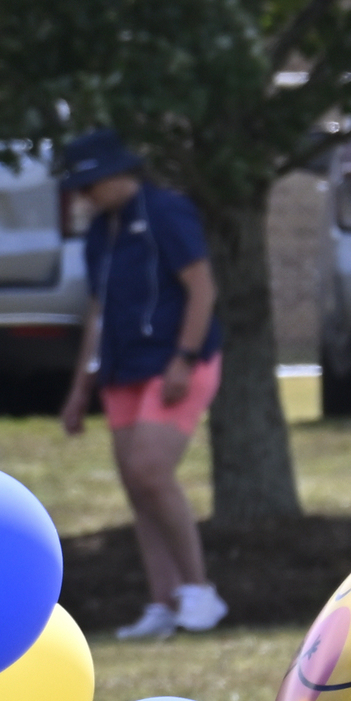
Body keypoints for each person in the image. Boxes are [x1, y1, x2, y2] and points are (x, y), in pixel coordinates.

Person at [56, 129, 227, 640]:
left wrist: (184, 356)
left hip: (174, 361)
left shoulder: (166, 212)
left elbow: (201, 287)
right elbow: (98, 311)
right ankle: (163, 600)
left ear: (118, 173)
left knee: (152, 471)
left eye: (90, 185)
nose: (84, 197)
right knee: (136, 484)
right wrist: (80, 386)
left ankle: (199, 590)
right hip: (121, 367)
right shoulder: (98, 234)